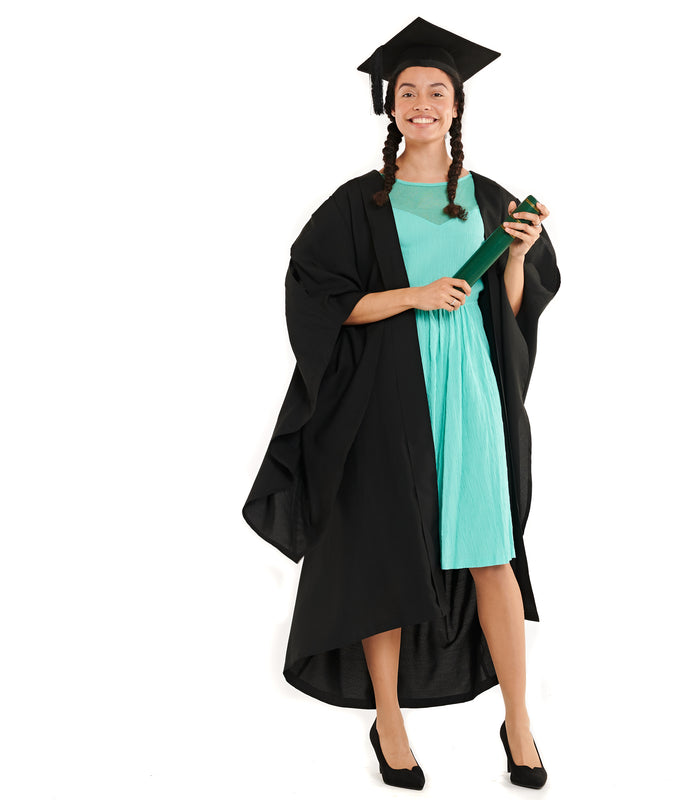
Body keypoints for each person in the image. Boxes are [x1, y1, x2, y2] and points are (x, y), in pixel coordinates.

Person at [242, 17, 561, 791]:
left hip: (475, 390)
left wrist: (515, 255)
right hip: (386, 392)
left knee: (494, 554)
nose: (423, 103)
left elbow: (511, 312)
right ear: (390, 108)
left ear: (457, 106)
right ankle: (389, 721)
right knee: (385, 554)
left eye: (437, 92)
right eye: (409, 92)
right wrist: (411, 296)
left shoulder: (487, 200)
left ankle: (518, 718)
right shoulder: (358, 205)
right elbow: (319, 303)